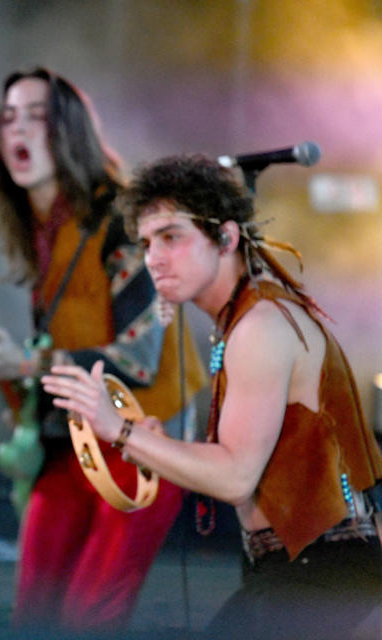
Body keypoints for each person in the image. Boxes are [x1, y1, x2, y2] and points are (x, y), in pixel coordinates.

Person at [43, 154, 382, 638]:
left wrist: (117, 429)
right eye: (146, 242)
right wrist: (144, 441)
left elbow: (235, 477)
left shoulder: (261, 326)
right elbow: (241, 461)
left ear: (226, 238)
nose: (153, 258)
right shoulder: (246, 319)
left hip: (321, 571)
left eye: (171, 237)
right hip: (300, 567)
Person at [0, 67, 207, 632]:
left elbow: (140, 355)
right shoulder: (43, 227)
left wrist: (26, 362)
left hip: (143, 443)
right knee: (33, 620)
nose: (17, 130)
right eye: (7, 118)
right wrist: (18, 380)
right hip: (69, 442)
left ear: (71, 130)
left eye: (37, 116)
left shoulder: (124, 217)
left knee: (87, 622)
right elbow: (63, 348)